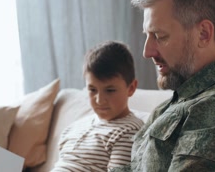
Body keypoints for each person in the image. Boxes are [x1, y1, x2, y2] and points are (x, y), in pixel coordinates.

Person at [112, 0, 215, 171]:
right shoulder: (175, 103)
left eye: (159, 36)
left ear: (203, 34)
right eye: (147, 35)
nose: (147, 51)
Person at [50, 41, 144, 172]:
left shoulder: (129, 131)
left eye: (110, 90)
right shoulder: (72, 129)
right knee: (11, 162)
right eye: (92, 90)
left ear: (131, 88)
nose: (100, 100)